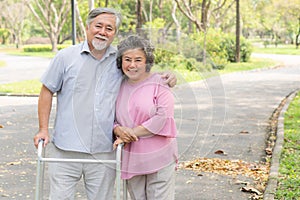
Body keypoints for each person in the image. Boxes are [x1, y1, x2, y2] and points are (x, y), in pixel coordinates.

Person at [33, 8, 177, 200]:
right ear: (87, 27)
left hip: (103, 152)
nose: (102, 32)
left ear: (114, 33)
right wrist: (43, 129)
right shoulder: (65, 57)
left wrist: (166, 76)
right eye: (98, 26)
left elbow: (140, 74)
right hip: (65, 149)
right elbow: (47, 91)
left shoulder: (120, 60)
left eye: (109, 28)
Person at [113, 35, 178, 200]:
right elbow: (109, 116)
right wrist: (118, 130)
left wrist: (131, 133)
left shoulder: (160, 82)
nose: (132, 65)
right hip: (132, 157)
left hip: (159, 157)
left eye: (138, 60)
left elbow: (163, 116)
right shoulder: (117, 85)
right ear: (121, 61)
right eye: (127, 59)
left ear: (147, 61)